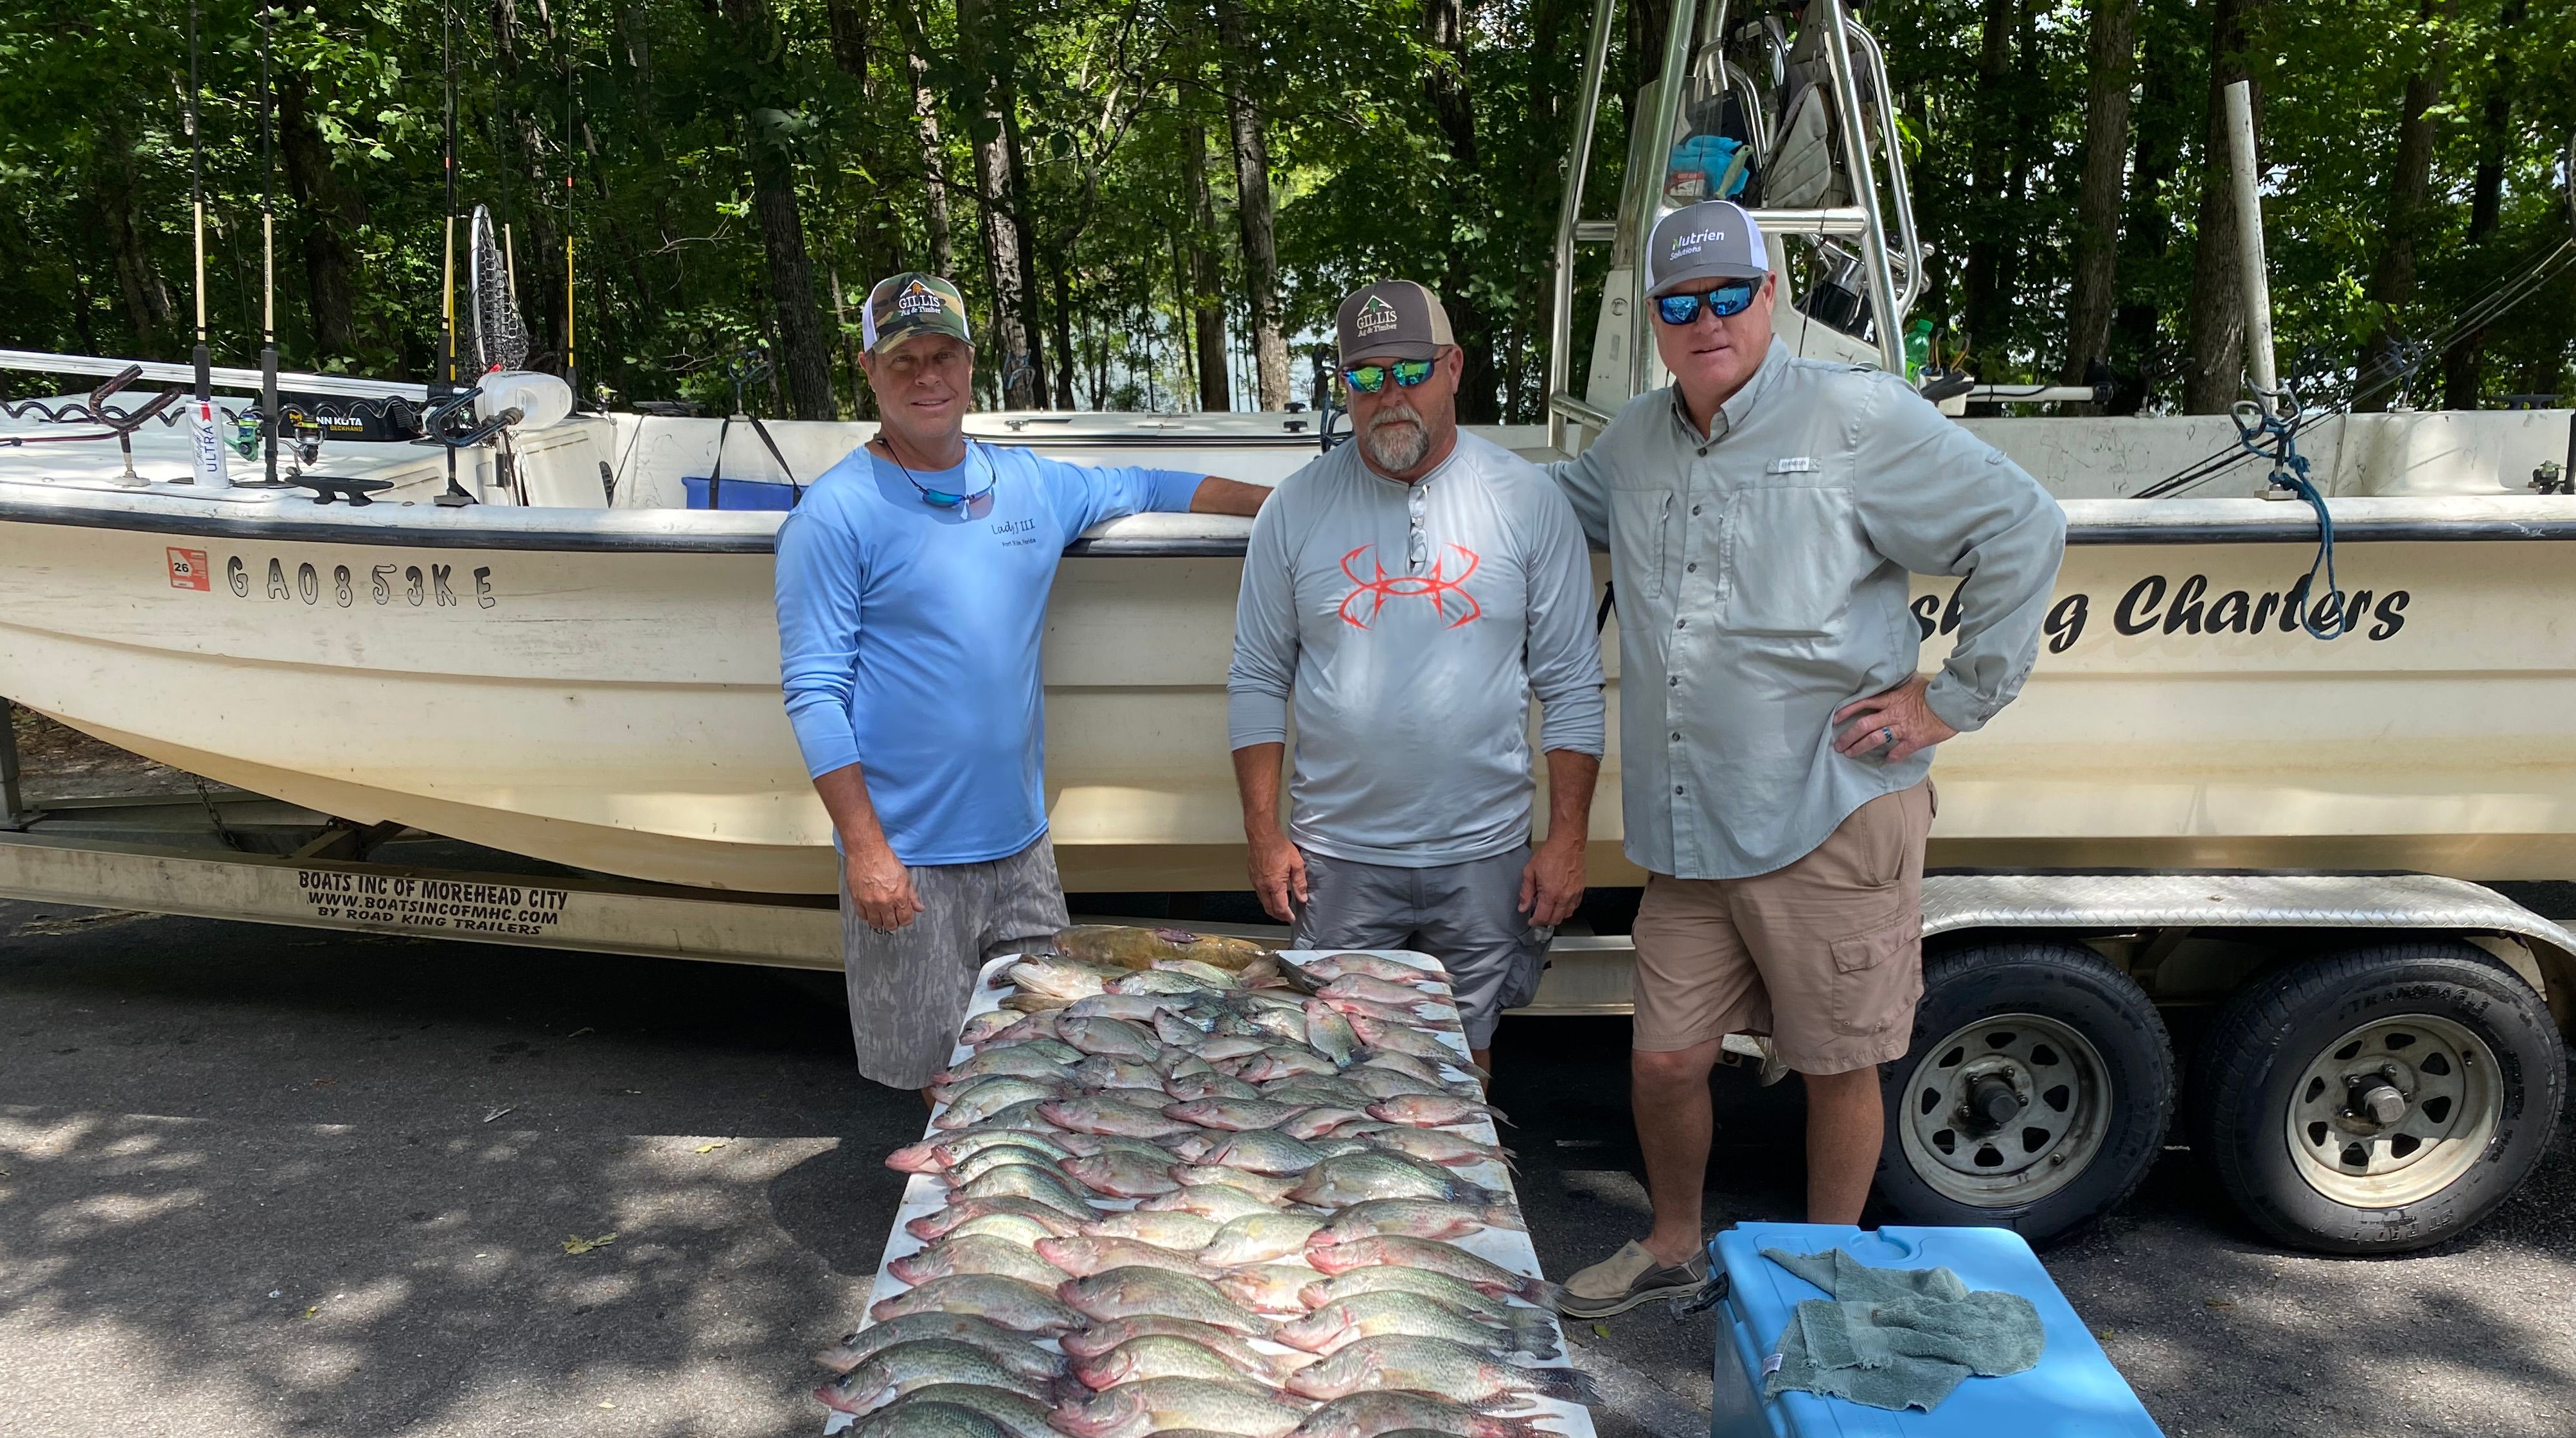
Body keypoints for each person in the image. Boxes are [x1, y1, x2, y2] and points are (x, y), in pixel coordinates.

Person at [1547, 203, 2066, 1317]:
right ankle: (1674, 1239)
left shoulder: (1855, 411)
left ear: (1769, 295)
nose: (1705, 321)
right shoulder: (1631, 441)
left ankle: (1821, 1281)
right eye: (1679, 305)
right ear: (1653, 319)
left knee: (1840, 1063)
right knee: (1662, 1061)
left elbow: (2023, 523)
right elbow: (1531, 512)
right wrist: (1399, 473)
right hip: (1691, 827)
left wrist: (1952, 699)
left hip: (1831, 809)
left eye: (1728, 295)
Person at [776, 272, 1270, 1092]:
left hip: (1023, 849)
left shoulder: (1033, 485)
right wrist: (867, 852)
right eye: (903, 362)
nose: (926, 377)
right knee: (938, 1080)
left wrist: (1291, 507)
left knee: (1047, 1063)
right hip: (910, 858)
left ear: (970, 366)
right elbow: (814, 692)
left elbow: (1157, 485)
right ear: (868, 370)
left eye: (943, 356)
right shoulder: (834, 514)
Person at [1227, 280, 1605, 1065]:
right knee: (1335, 1062)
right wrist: (1264, 835)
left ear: (1454, 366)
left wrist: (1569, 839)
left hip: (1484, 852)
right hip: (1337, 858)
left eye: (1410, 369)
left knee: (1463, 1063)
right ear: (1343, 388)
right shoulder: (1293, 511)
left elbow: (1570, 681)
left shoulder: (1527, 501)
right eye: (1366, 377)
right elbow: (1258, 678)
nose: (1389, 395)